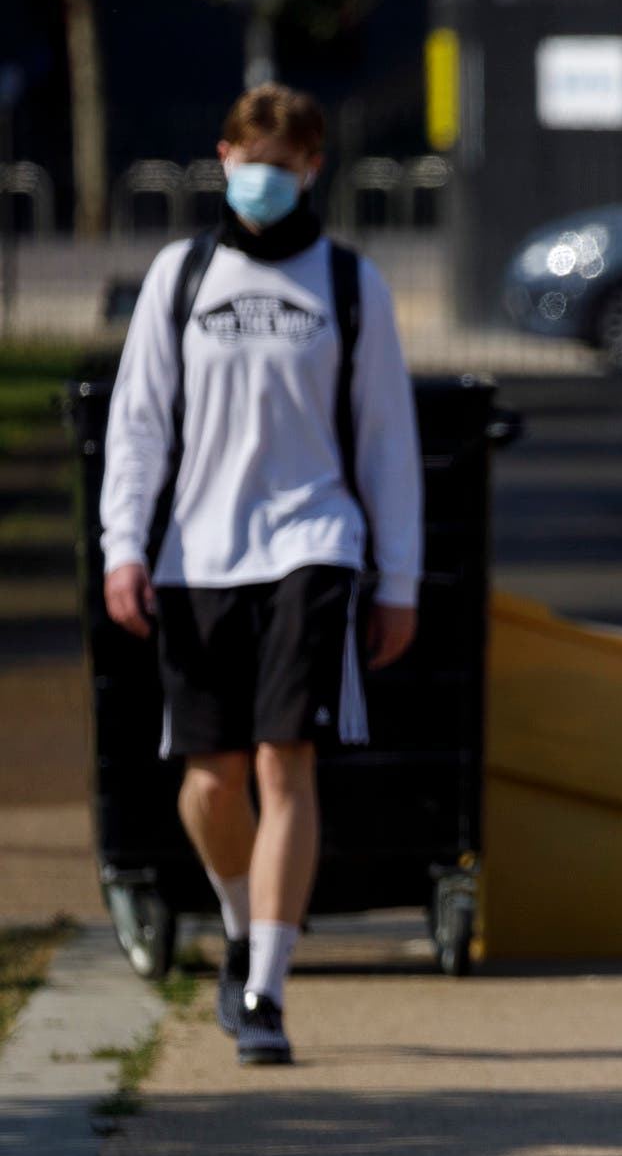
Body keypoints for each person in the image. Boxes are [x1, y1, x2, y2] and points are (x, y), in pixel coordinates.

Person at [99, 82, 421, 1066]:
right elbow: (140, 419)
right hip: (198, 553)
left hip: (311, 544)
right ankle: (243, 924)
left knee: (286, 760)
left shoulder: (352, 284)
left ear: (312, 168)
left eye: (286, 166)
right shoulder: (181, 275)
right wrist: (124, 542)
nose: (266, 180)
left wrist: (398, 575)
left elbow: (385, 441)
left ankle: (268, 987)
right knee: (210, 779)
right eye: (252, 161)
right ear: (223, 155)